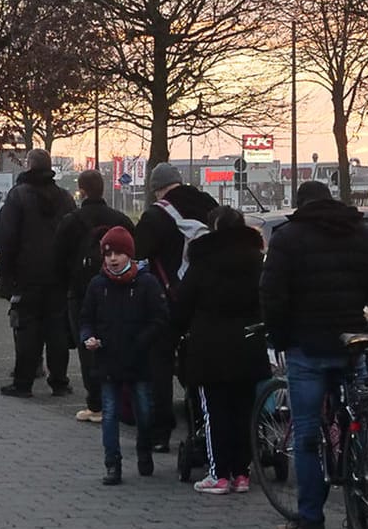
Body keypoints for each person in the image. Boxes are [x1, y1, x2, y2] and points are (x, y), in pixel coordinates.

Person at [260, 181, 368, 529]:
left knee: (306, 434)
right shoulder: (364, 235)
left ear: (300, 205)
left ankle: (311, 520)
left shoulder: (287, 238)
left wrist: (280, 337)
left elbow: (272, 294)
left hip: (308, 347)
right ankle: (360, 513)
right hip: (352, 343)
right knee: (357, 426)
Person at [174, 207, 270, 494]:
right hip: (249, 344)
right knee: (244, 410)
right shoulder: (257, 261)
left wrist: (174, 332)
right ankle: (242, 473)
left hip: (210, 348)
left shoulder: (203, 262)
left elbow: (183, 304)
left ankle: (219, 474)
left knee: (215, 411)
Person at [133, 162, 218, 447]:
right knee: (201, 363)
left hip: (169, 300)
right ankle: (201, 425)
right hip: (207, 299)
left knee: (160, 363)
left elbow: (138, 251)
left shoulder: (157, 215)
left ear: (157, 189)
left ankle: (161, 431)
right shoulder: (209, 205)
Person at [79, 226, 169, 484]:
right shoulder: (98, 285)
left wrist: (142, 341)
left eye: (118, 253)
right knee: (109, 412)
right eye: (108, 254)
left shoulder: (146, 283)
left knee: (143, 410)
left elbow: (160, 319)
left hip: (139, 360)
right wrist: (88, 337)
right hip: (107, 360)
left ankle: (144, 450)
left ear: (129, 253)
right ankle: (112, 463)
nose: (112, 258)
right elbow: (86, 319)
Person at [0, 149, 76, 399]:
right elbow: (74, 236)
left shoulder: (18, 196)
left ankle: (23, 382)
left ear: (29, 166)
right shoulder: (65, 198)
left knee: (27, 329)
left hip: (27, 274)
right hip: (59, 276)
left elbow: (7, 238)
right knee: (57, 330)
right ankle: (60, 382)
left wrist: (6, 277)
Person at [54, 170, 133, 423]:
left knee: (88, 347)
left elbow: (58, 257)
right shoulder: (120, 219)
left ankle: (96, 404)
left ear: (82, 190)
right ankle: (120, 400)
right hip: (118, 290)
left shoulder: (71, 221)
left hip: (81, 292)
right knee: (118, 342)